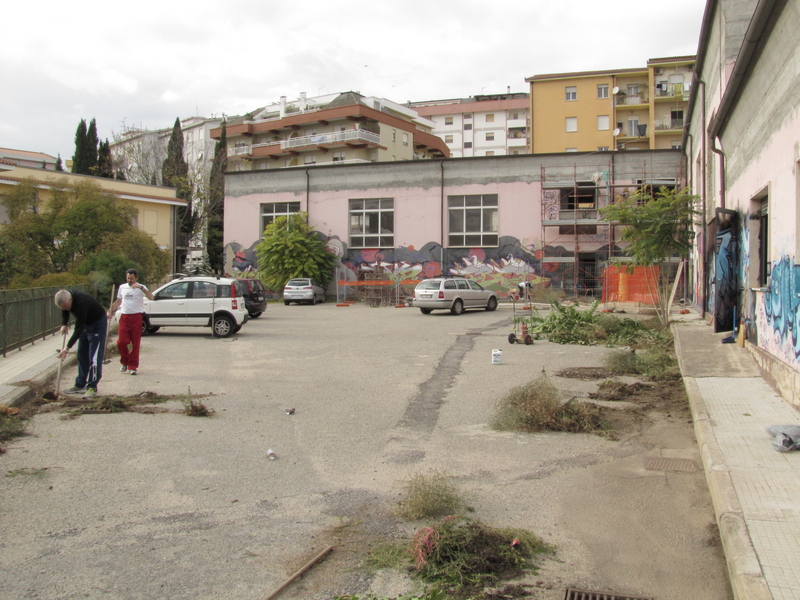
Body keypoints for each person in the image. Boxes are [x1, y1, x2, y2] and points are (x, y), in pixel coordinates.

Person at [55, 289, 108, 399]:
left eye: (66, 306)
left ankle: (92, 387)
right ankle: (80, 385)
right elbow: (64, 310)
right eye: (62, 307)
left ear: (70, 300)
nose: (65, 309)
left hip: (97, 325)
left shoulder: (81, 304)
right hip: (86, 325)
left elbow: (78, 330)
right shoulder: (66, 298)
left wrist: (66, 348)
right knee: (82, 355)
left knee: (93, 358)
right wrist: (64, 324)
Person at [109, 268, 153, 376]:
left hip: (136, 316)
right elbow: (118, 301)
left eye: (132, 278)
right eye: (128, 278)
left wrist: (141, 288)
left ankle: (133, 366)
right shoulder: (122, 287)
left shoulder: (141, 288)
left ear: (136, 278)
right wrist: (110, 311)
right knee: (121, 341)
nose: (130, 280)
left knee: (135, 343)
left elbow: (151, 297)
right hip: (124, 316)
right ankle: (125, 361)